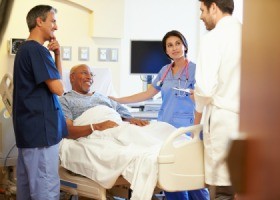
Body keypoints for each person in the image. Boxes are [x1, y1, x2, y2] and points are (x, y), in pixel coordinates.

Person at [109, 30, 209, 200]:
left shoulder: (196, 70)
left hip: (187, 130)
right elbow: (147, 94)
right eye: (170, 45)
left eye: (178, 43)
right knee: (170, 177)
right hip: (165, 130)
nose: (174, 48)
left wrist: (195, 132)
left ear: (185, 46)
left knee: (192, 178)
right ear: (166, 51)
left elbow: (202, 102)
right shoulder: (164, 71)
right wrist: (119, 100)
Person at [12, 5, 68, 199]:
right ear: (39, 21)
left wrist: (58, 55)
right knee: (45, 191)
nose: (56, 27)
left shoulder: (25, 50)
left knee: (28, 191)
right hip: (41, 135)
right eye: (53, 21)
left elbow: (56, 82)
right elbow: (59, 89)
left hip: (30, 133)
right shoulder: (36, 51)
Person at [193, 0, 242, 199]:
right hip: (248, 121)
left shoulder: (212, 38)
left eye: (202, 10)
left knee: (221, 186)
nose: (200, 16)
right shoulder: (249, 33)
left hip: (222, 119)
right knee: (239, 183)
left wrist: (197, 114)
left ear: (214, 7)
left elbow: (205, 88)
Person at [59, 64, 149, 140]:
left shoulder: (102, 97)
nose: (89, 77)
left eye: (91, 74)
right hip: (101, 136)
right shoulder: (66, 100)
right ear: (72, 77)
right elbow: (67, 131)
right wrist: (97, 127)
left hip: (120, 128)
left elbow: (121, 111)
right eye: (84, 73)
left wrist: (131, 119)